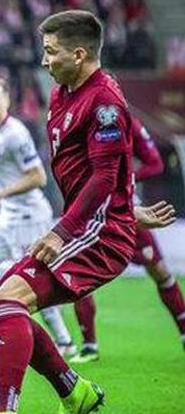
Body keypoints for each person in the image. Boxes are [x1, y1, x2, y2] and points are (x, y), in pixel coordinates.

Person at [0, 10, 176, 414]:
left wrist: (65, 229)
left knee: (10, 301)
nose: (44, 61)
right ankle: (74, 392)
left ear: (79, 54)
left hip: (97, 235)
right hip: (94, 221)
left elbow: (104, 175)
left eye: (51, 52)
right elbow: (101, 175)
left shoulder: (104, 102)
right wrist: (123, 206)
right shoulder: (64, 90)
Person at [0, 74, 75, 357]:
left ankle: (64, 342)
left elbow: (38, 177)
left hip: (29, 216)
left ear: (7, 101)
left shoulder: (16, 133)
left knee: (28, 280)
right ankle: (33, 284)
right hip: (7, 215)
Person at [71, 116, 185, 363]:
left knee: (160, 271)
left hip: (125, 211)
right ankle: (89, 345)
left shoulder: (128, 122)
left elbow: (155, 163)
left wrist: (128, 178)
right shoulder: (79, 120)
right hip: (89, 211)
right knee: (77, 275)